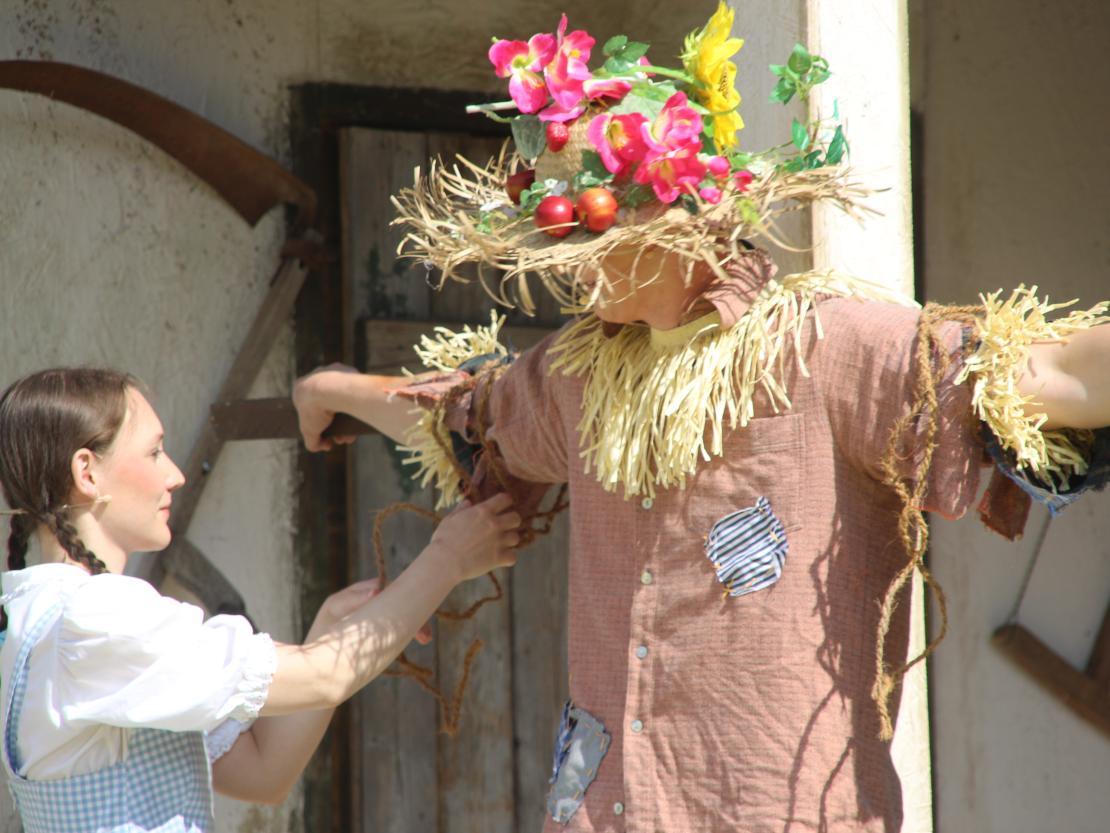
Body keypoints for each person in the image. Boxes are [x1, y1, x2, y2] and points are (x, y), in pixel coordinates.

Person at [294, 8, 1110, 832]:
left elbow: (1037, 374)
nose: (570, 268)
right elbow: (463, 418)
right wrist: (337, 387)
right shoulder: (580, 377)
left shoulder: (823, 347)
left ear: (682, 222)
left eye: (593, 230)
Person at [0, 367, 521, 833]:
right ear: (87, 473)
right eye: (154, 451)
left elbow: (261, 771)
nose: (174, 474)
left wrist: (330, 623)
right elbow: (325, 676)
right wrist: (449, 559)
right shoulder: (93, 623)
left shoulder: (40, 619)